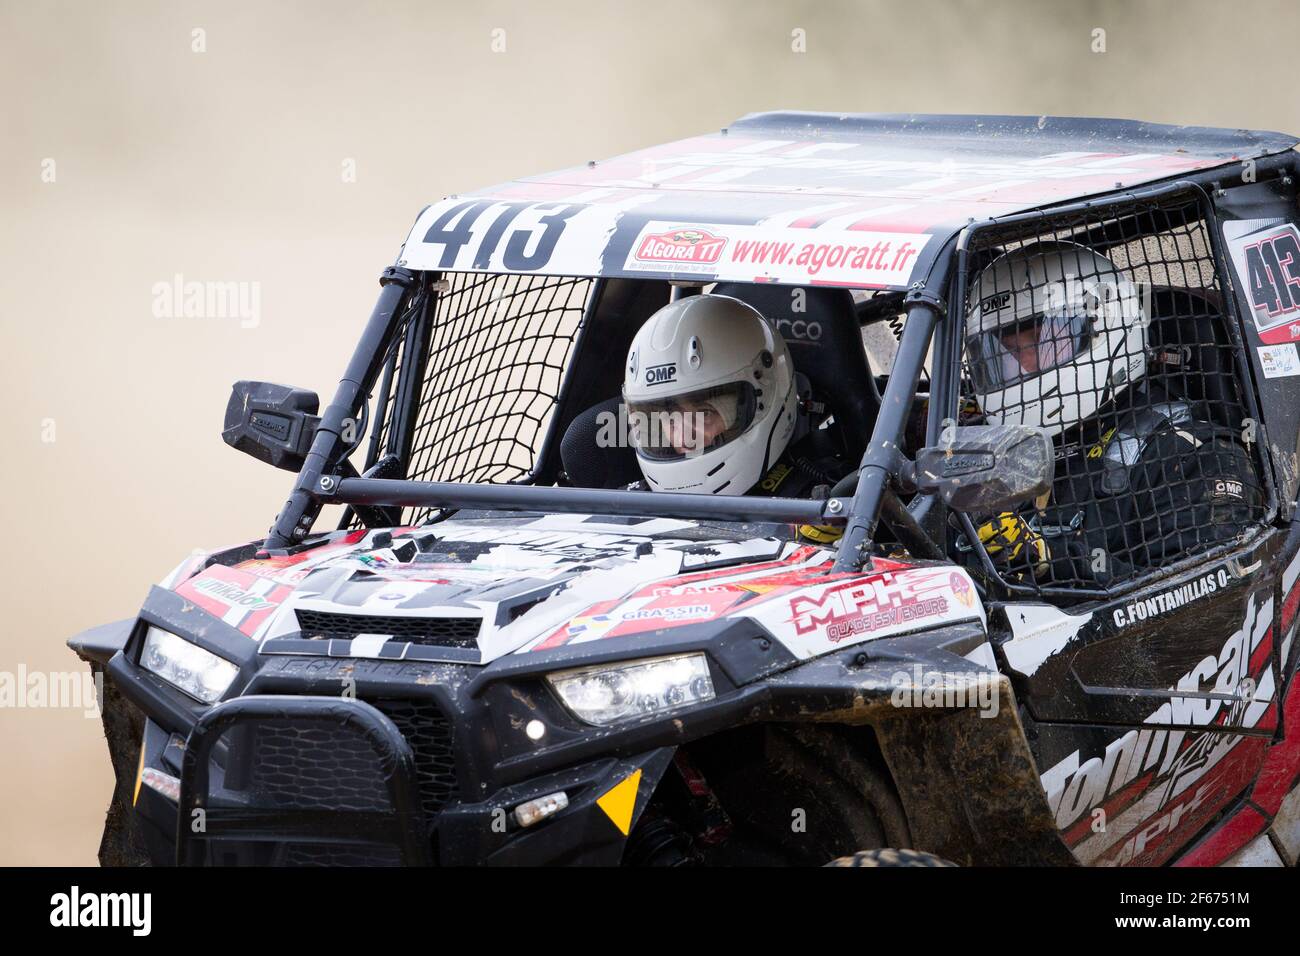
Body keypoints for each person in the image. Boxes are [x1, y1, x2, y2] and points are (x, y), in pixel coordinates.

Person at [963, 241, 1261, 586]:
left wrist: (1051, 560)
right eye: (1005, 354)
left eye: (1040, 343)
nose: (1021, 366)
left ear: (1103, 327)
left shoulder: (1194, 456)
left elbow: (1206, 597)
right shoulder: (1007, 453)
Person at [621, 294, 850, 515]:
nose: (683, 438)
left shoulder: (826, 505)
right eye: (669, 416)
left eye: (705, 413)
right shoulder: (630, 508)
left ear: (767, 397)